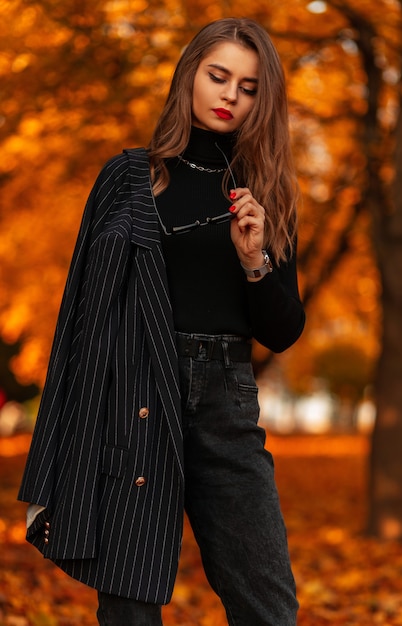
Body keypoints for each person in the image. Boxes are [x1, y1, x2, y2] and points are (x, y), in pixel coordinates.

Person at [18, 17, 305, 626]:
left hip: (226, 400)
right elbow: (78, 322)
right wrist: (51, 464)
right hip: (134, 393)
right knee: (129, 604)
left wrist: (254, 259)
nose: (230, 95)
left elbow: (282, 331)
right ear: (189, 78)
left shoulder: (268, 194)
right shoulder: (130, 178)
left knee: (269, 605)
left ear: (263, 100)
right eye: (218, 76)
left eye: (249, 87)